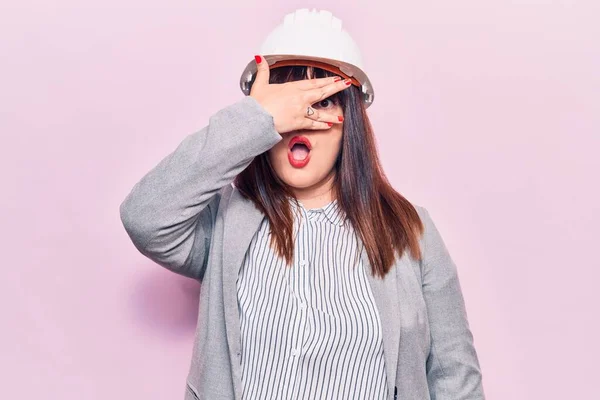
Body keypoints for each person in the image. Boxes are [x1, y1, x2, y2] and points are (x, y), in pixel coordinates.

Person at [119, 8, 485, 400]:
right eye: (286, 106)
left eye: (321, 102)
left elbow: (455, 374)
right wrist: (254, 120)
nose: (302, 121)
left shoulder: (412, 231)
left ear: (351, 121)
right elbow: (145, 217)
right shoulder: (225, 223)